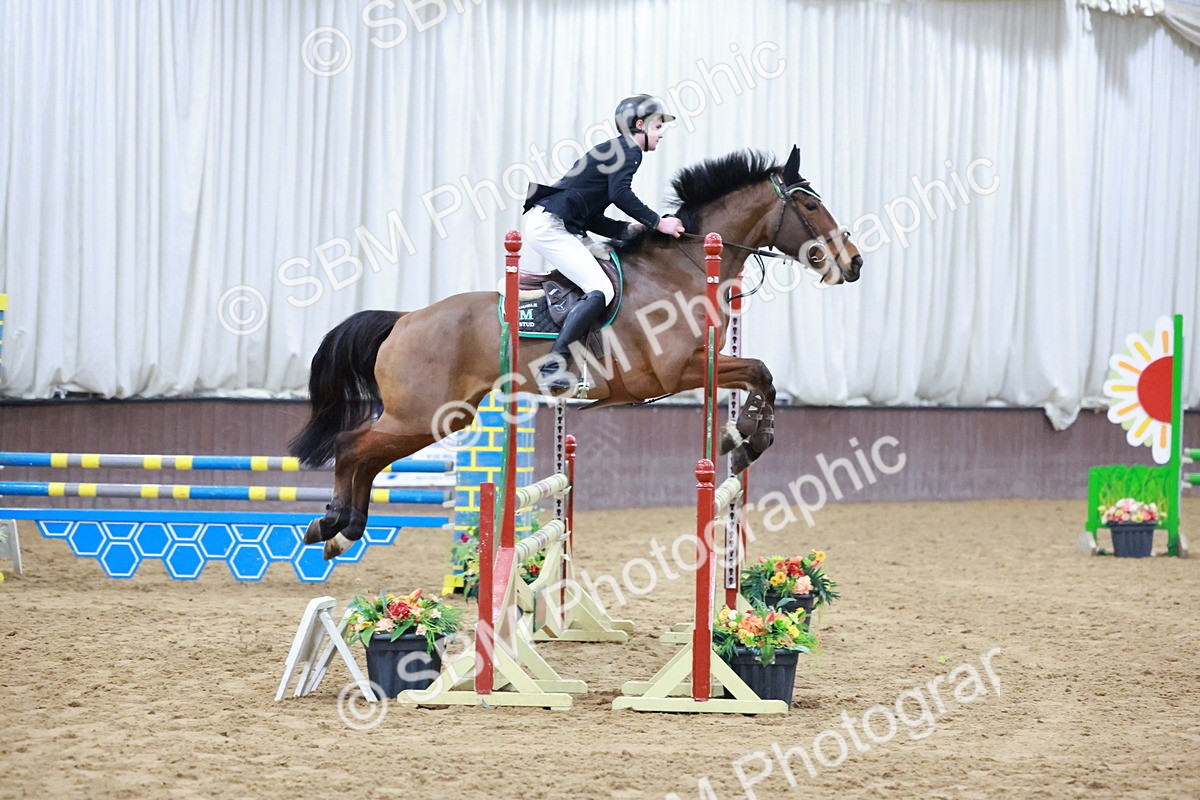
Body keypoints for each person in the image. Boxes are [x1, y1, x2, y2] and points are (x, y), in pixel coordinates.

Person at [523, 94, 687, 395]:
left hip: (562, 224)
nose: (662, 133)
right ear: (640, 125)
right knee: (602, 289)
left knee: (612, 270)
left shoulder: (615, 150)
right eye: (658, 126)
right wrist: (656, 222)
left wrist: (628, 228)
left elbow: (594, 217)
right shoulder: (629, 150)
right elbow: (622, 194)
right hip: (551, 227)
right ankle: (552, 368)